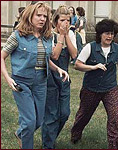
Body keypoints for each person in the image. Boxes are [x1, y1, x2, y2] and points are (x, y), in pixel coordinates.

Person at [1, 2, 69, 149]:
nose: (42, 19)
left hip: (41, 83)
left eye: (45, 16)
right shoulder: (18, 36)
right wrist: (8, 78)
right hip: (21, 83)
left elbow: (46, 60)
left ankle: (21, 133)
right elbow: (1, 56)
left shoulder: (47, 37)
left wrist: (58, 69)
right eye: (39, 15)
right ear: (30, 16)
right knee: (30, 122)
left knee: (38, 121)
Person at [71, 19, 118, 149]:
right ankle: (75, 135)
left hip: (110, 88)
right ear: (100, 34)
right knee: (83, 115)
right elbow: (77, 65)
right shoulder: (90, 47)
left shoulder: (117, 48)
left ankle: (114, 145)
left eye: (112, 33)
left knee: (114, 118)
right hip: (90, 89)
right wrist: (93, 67)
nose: (110, 36)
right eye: (107, 33)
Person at [42, 5, 77, 149]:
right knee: (51, 115)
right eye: (62, 20)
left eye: (68, 20)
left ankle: (49, 138)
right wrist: (61, 35)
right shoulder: (49, 35)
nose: (66, 23)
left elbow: (74, 55)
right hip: (50, 79)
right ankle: (48, 145)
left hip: (64, 80)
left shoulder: (72, 34)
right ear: (56, 21)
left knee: (64, 114)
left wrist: (67, 35)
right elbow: (54, 55)